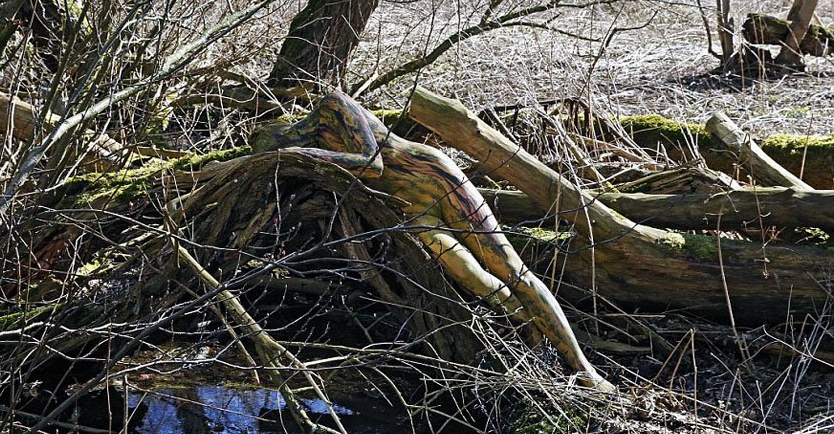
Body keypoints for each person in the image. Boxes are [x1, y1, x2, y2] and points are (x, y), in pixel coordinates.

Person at [251, 90, 613, 391]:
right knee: (476, 279)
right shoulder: (314, 156)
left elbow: (371, 164)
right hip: (411, 211)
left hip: (434, 178)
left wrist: (295, 155)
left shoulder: (332, 107)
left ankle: (585, 370)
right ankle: (538, 347)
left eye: (280, 148)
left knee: (512, 270)